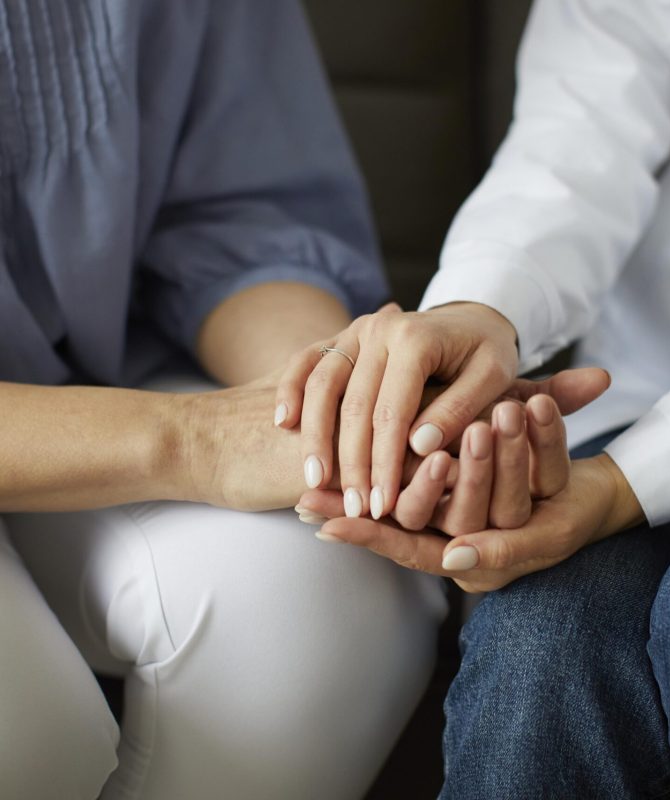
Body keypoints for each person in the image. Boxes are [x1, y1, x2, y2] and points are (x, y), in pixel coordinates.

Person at [280, 0, 670, 797]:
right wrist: (481, 309)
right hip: (665, 378)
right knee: (542, 625)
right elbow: (588, 111)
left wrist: (623, 484)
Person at [0, 1, 454, 798]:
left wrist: (343, 401)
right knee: (31, 737)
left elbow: (235, 217)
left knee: (330, 607)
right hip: (113, 417)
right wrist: (193, 441)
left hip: (113, 361)